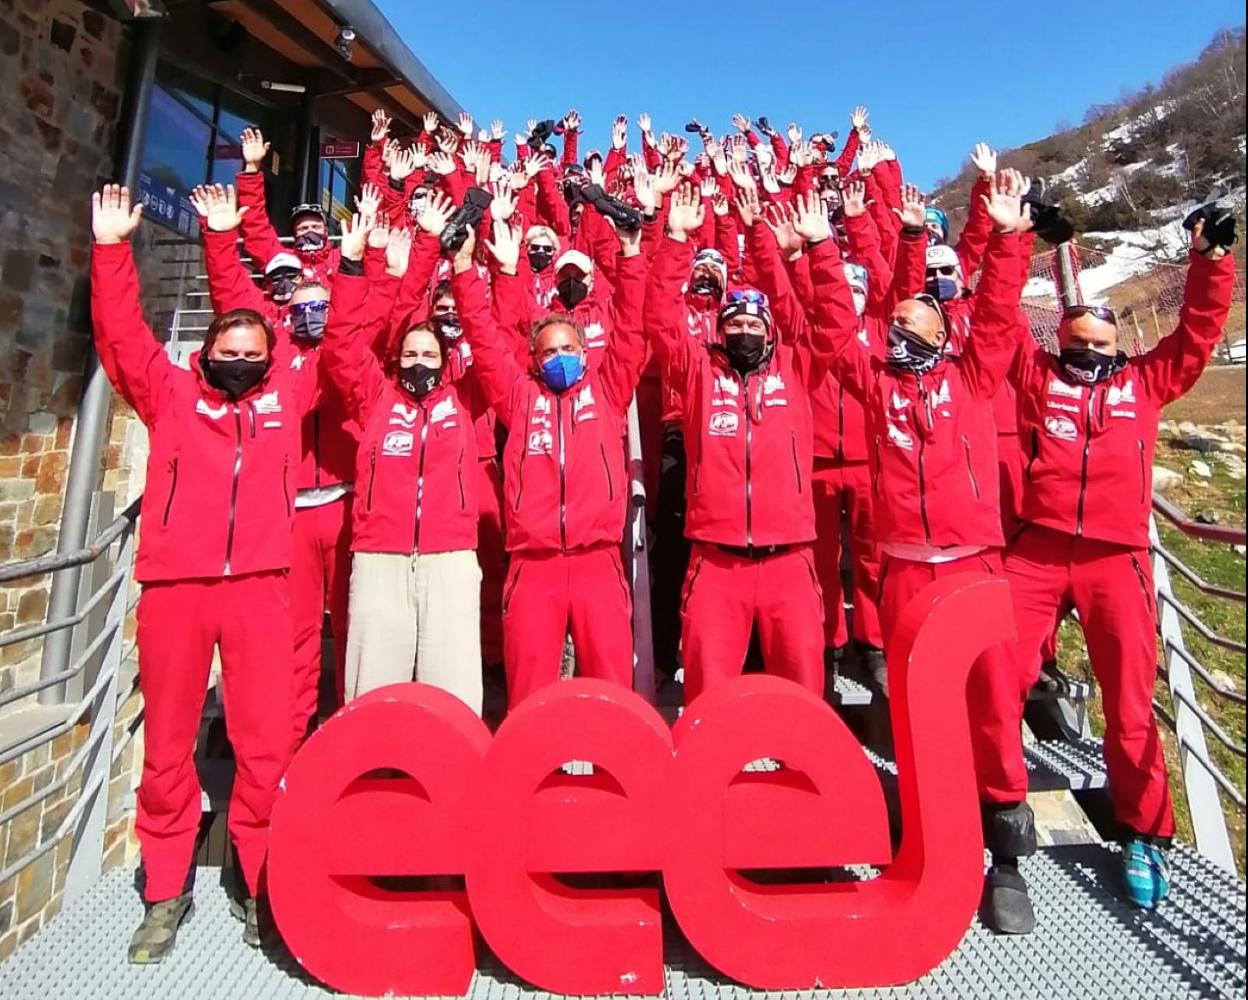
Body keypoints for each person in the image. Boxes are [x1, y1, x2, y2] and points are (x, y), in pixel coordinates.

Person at [91, 186, 313, 960]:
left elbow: (347, 324)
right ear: (207, 349)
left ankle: (259, 884)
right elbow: (121, 338)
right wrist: (113, 251)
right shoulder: (173, 395)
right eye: (230, 348)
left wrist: (226, 239)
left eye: (256, 351)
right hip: (177, 589)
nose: (243, 359)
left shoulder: (287, 393)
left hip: (260, 587)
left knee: (264, 748)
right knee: (166, 748)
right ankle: (164, 890)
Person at [809, 168, 1033, 935]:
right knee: (911, 706)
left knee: (996, 710)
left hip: (974, 569)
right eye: (894, 325)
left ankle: (1005, 855)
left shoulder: (972, 378)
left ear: (943, 335)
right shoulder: (876, 387)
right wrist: (815, 251)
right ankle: (932, 834)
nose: (900, 335)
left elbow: (999, 315)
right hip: (905, 570)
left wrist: (1006, 235)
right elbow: (838, 335)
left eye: (915, 327)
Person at [996, 210, 1237, 911]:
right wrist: (1017, 238)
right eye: (1077, 343)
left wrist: (1211, 261)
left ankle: (1144, 832)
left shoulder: (1146, 384)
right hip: (1039, 550)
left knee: (1130, 703)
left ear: (1119, 348)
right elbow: (1002, 323)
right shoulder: (1041, 378)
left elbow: (1196, 335)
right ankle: (996, 806)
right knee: (998, 678)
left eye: (1101, 344)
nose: (1089, 354)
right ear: (1060, 341)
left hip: (1118, 557)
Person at [644, 185, 859, 704]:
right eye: (734, 323)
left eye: (753, 325)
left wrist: (820, 247)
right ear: (721, 329)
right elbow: (657, 319)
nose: (743, 331)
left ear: (769, 333)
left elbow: (837, 322)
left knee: (801, 693)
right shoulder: (698, 370)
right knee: (708, 694)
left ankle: (804, 779)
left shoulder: (796, 367)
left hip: (789, 558)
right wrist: (675, 240)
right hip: (715, 560)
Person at [451, 215, 646, 707]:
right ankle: (532, 781)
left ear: (585, 352)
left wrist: (631, 255)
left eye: (569, 348)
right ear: (534, 360)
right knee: (530, 694)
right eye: (549, 351)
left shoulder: (607, 389)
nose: (560, 357)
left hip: (597, 559)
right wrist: (462, 268)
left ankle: (616, 776)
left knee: (611, 691)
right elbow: (484, 334)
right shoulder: (518, 396)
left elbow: (634, 326)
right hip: (532, 565)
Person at [319, 214, 489, 712]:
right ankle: (369, 783)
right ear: (397, 359)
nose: (419, 362)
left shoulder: (464, 399)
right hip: (380, 560)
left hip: (450, 560)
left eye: (429, 354)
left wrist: (463, 269)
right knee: (371, 696)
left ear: (445, 359)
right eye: (411, 353)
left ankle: (455, 788)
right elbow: (342, 347)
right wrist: (353, 266)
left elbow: (495, 338)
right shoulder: (376, 398)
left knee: (452, 699)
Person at [236, 127, 341, 284]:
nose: (310, 232)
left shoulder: (341, 260)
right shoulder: (281, 259)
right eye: (303, 228)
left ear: (326, 230)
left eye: (316, 226)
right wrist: (252, 167)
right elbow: (255, 226)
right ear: (294, 233)